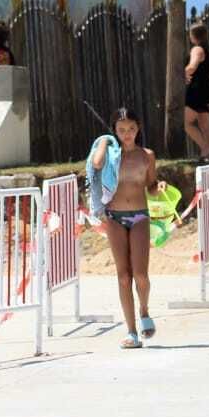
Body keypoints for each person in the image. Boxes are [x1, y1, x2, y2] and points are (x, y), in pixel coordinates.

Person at [87, 108, 160, 350]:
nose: (127, 134)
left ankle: (144, 310)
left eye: (131, 129)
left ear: (138, 129)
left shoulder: (147, 155)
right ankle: (131, 331)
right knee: (123, 277)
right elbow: (95, 164)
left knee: (140, 275)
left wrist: (158, 187)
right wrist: (105, 142)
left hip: (139, 216)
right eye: (121, 130)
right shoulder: (110, 154)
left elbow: (150, 186)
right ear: (115, 131)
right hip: (115, 217)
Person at [183, 20, 209, 159]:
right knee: (205, 126)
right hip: (207, 90)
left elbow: (192, 67)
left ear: (192, 36)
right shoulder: (208, 50)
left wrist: (182, 74)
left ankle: (205, 149)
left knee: (186, 123)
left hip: (197, 90)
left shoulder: (197, 49)